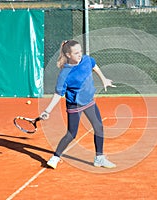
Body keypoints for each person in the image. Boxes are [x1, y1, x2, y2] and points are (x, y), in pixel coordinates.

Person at [40, 40, 116, 169]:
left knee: (99, 127)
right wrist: (47, 111)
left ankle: (99, 158)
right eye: (76, 53)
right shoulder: (64, 74)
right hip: (74, 105)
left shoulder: (86, 60)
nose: (80, 54)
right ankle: (55, 157)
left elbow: (94, 65)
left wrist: (104, 79)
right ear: (68, 55)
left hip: (89, 101)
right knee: (71, 133)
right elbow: (58, 94)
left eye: (80, 51)